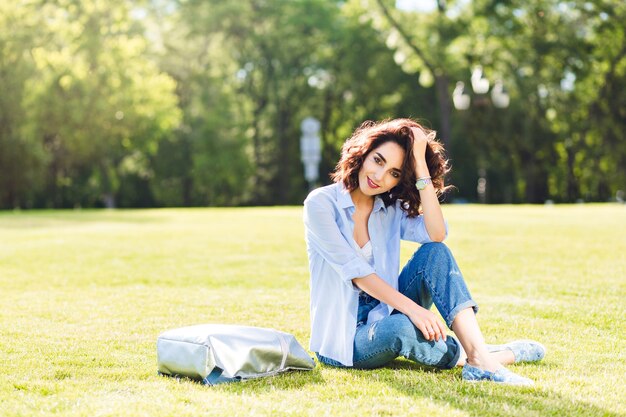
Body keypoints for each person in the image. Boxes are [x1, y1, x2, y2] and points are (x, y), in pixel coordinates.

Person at [303, 118, 545, 385]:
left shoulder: (389, 210)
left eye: (395, 173)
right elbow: (357, 274)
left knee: (435, 253)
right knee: (402, 327)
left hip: (386, 309)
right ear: (363, 153)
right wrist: (415, 311)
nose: (380, 177)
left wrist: (420, 166)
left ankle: (479, 359)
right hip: (344, 341)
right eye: (378, 161)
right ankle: (495, 356)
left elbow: (436, 234)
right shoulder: (320, 204)